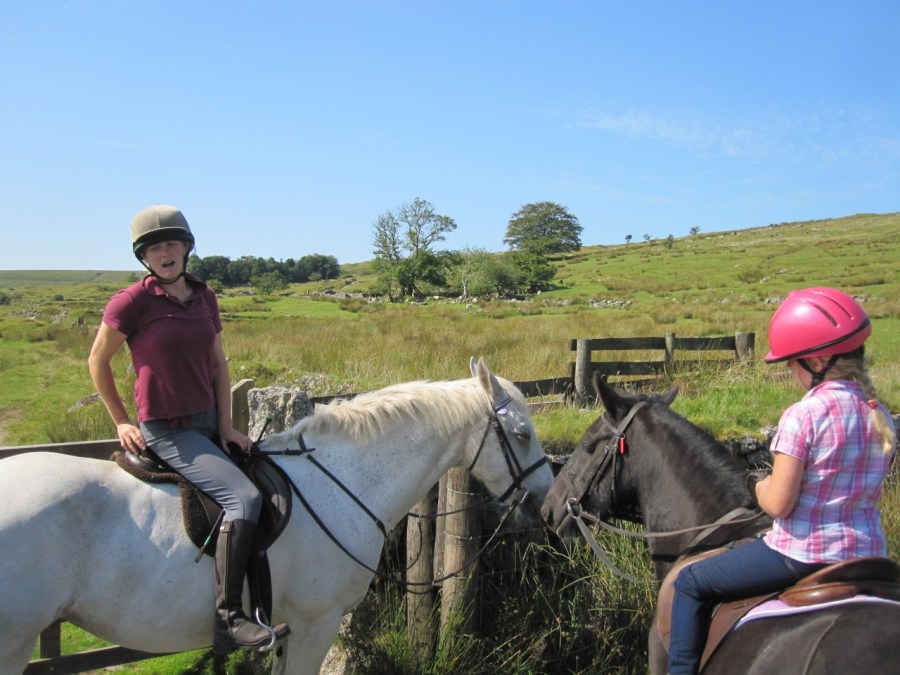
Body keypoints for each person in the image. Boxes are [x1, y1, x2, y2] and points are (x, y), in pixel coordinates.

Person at [88, 204, 289, 654]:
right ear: (144, 257)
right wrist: (121, 420)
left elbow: (218, 364)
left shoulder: (204, 296)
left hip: (207, 423)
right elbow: (97, 361)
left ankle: (270, 600)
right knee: (244, 499)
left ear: (185, 248)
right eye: (154, 248)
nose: (164, 253)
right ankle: (229, 619)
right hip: (168, 430)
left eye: (171, 244)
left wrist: (227, 427)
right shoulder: (131, 302)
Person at [666, 286, 897, 675]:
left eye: (792, 364)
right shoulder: (881, 415)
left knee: (689, 583)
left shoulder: (803, 415)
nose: (791, 372)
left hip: (802, 553)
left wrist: (758, 485)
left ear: (818, 360)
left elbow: (778, 505)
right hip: (868, 553)